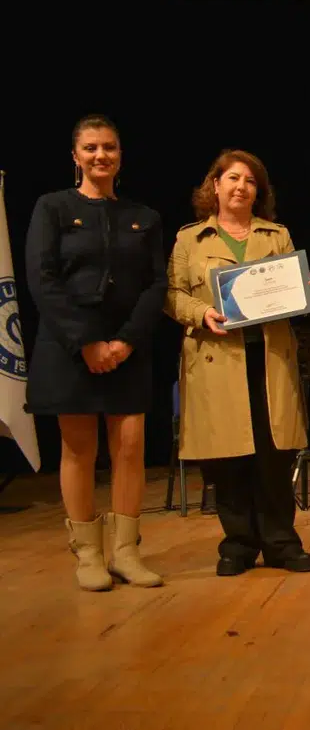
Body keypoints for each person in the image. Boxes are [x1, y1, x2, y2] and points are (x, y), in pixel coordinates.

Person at [25, 114, 166, 591]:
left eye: (109, 147)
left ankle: (125, 552)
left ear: (120, 155)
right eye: (91, 148)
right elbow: (43, 279)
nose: (100, 155)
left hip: (127, 347)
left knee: (130, 447)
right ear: (75, 156)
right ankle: (87, 554)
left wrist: (125, 341)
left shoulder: (145, 217)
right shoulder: (52, 207)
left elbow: (156, 284)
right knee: (79, 448)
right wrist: (87, 342)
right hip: (70, 347)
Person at [165, 150, 310, 576]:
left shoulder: (277, 236)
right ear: (215, 185)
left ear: (258, 191)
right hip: (216, 359)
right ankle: (238, 545)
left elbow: (290, 292)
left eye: (250, 181)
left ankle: (281, 543)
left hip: (269, 358)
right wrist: (201, 313)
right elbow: (172, 295)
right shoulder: (189, 239)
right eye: (233, 178)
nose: (241, 187)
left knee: (274, 455)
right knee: (226, 457)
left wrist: (303, 291)